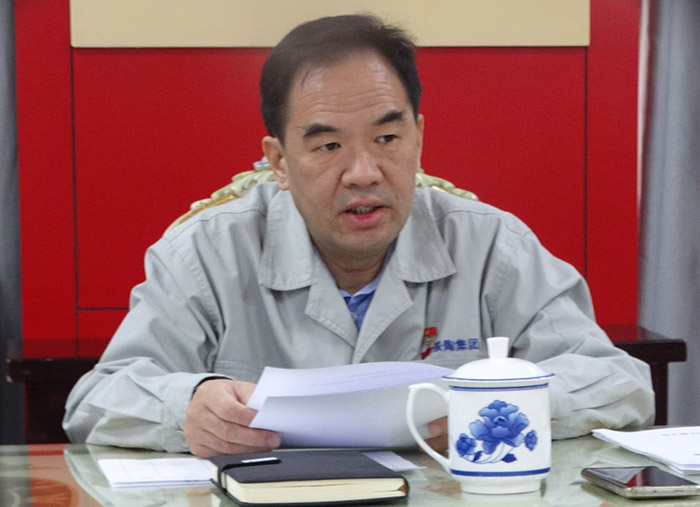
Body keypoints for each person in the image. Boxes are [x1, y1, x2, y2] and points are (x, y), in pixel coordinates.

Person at [63, 14, 654, 458]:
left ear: (418, 137)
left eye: (387, 139)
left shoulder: (492, 245)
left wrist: (507, 403)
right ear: (279, 161)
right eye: (327, 146)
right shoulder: (205, 253)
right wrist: (188, 408)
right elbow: (96, 399)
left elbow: (622, 384)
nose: (364, 172)